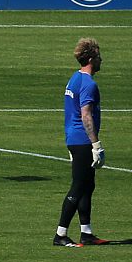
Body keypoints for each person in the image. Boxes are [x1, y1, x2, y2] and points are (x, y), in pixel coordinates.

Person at [54, 38, 106, 247]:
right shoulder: (89, 84)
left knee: (87, 185)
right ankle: (60, 235)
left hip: (73, 139)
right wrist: (96, 145)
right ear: (92, 59)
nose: (102, 60)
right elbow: (85, 115)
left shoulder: (74, 79)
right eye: (100, 56)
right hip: (83, 141)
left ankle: (86, 232)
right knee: (78, 187)